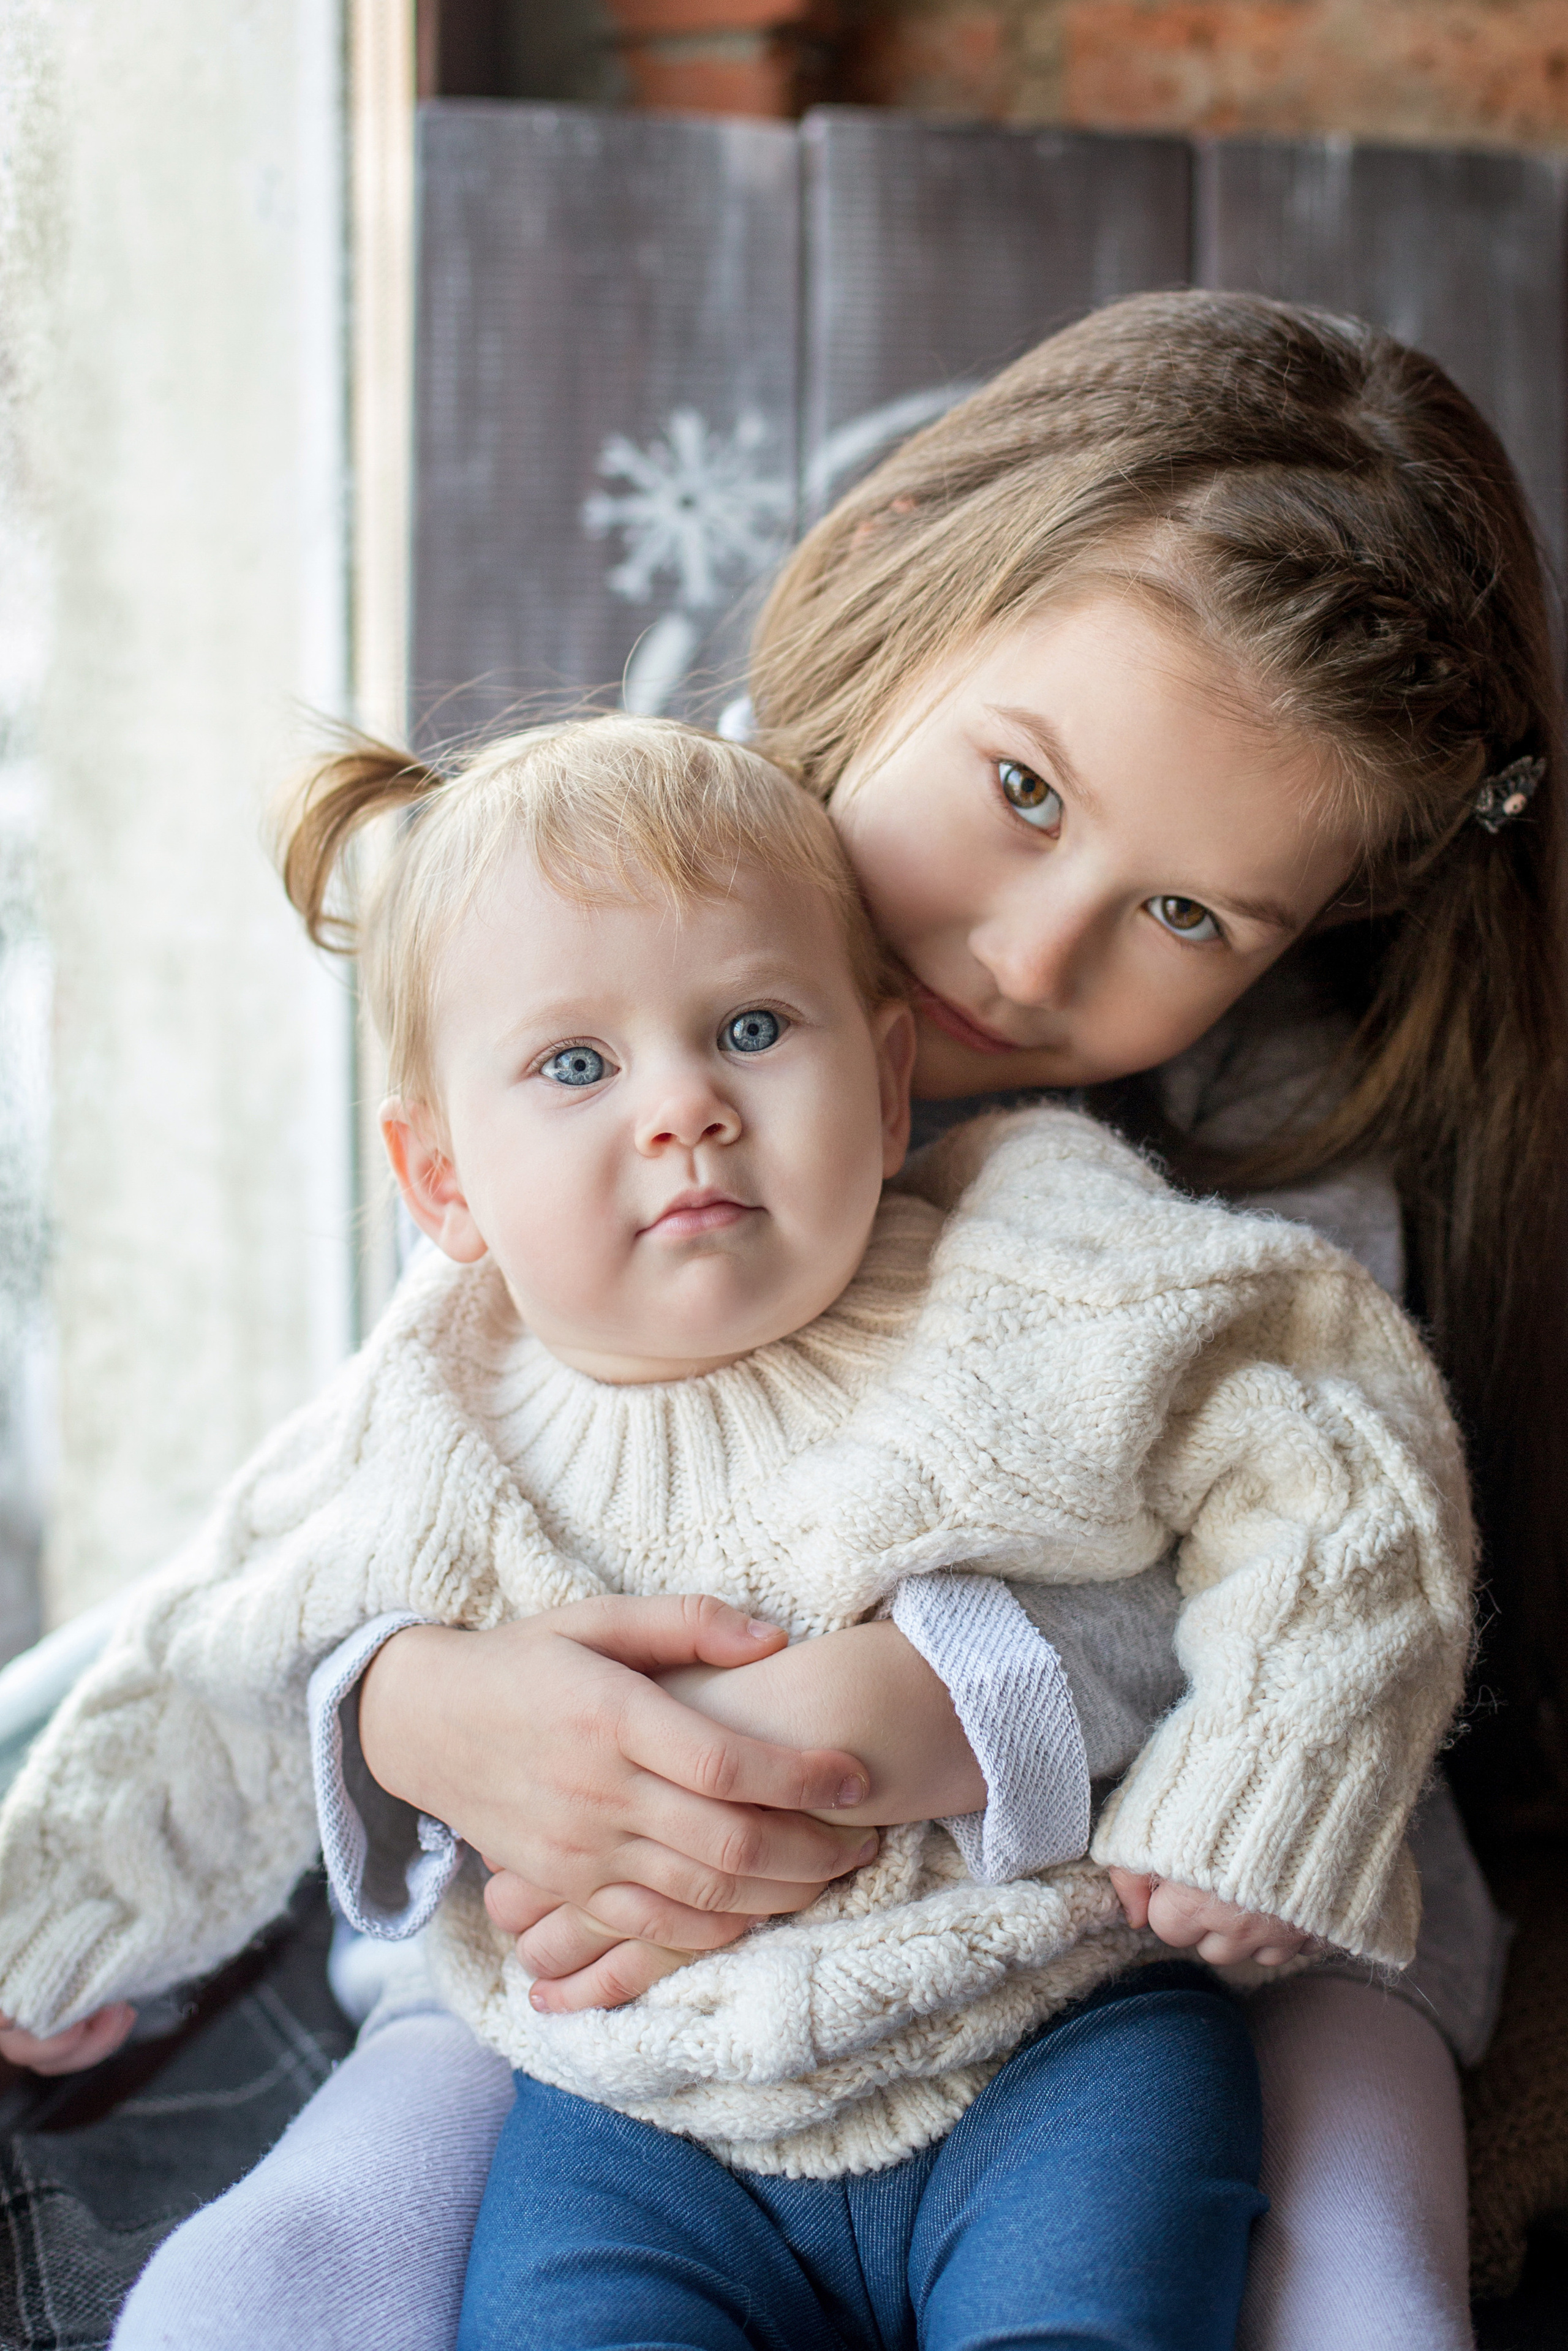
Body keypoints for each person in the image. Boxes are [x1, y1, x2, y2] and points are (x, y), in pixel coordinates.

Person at [91, 290, 1567, 2345]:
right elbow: (395, 1463)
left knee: (1346, 2232)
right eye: (1027, 794)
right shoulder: (615, 940)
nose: (1034, 954)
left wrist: (948, 1707)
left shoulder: (1271, 1134)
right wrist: (412, 1705)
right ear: (892, 581)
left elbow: (1320, 1540)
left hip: (1149, 1920)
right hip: (621, 1943)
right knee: (293, 2268)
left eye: (1187, 917)